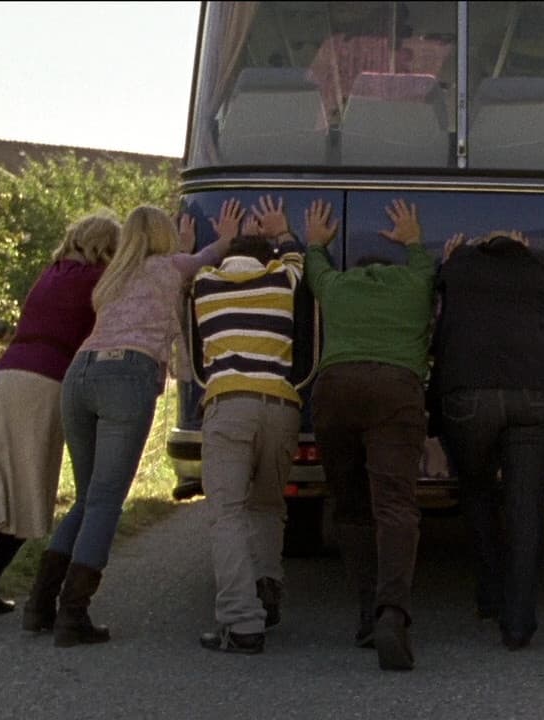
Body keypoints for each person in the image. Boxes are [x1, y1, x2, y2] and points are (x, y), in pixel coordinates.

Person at [22, 201, 239, 647]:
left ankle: (39, 605)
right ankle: (73, 615)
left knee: (87, 498)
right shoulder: (169, 267)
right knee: (105, 501)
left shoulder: (112, 277)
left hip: (80, 374)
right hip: (127, 375)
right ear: (163, 236)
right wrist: (227, 236)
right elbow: (207, 258)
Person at [0, 213, 119, 628]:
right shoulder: (98, 281)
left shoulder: (51, 273)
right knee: (31, 488)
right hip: (43, 382)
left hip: (4, 376)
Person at [305, 198, 435, 671]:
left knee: (352, 505)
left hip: (336, 388)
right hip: (396, 389)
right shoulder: (416, 282)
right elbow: (425, 262)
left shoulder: (338, 286)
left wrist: (316, 242)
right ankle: (391, 614)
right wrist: (413, 238)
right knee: (395, 504)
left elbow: (315, 266)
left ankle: (365, 613)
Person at [432, 230, 544, 651]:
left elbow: (438, 298)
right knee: (526, 507)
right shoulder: (539, 267)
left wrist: (451, 257)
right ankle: (519, 622)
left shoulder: (459, 267)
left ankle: (490, 595)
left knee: (477, 490)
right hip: (537, 394)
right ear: (521, 246)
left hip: (468, 395)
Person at [191, 196, 310, 654]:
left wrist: (221, 238)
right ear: (268, 258)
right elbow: (295, 256)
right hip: (281, 406)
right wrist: (281, 230)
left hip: (229, 404)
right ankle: (267, 591)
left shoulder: (205, 284)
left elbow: (193, 265)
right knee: (267, 506)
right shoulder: (281, 279)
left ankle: (242, 623)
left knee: (228, 513)